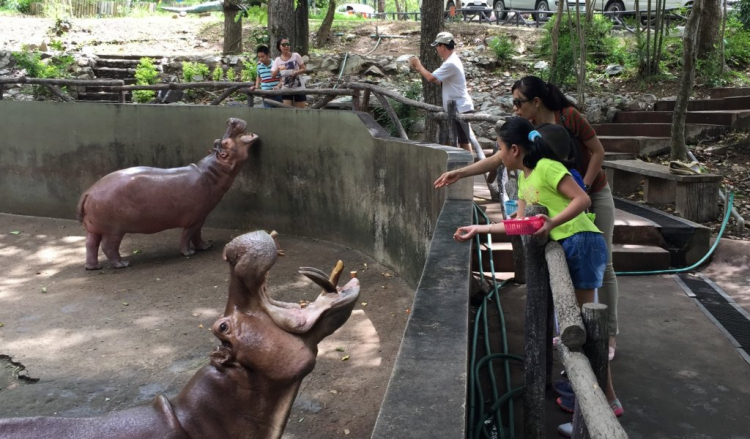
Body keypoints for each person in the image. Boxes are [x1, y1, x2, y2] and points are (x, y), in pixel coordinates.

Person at [447, 118, 624, 432]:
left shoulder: (547, 167)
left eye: (499, 149)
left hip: (581, 242)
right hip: (568, 244)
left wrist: (552, 224)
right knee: (577, 326)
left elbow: (581, 199)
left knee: (584, 327)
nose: (498, 156)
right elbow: (521, 224)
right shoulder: (525, 182)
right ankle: (594, 403)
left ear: (514, 149)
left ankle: (606, 403)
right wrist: (480, 228)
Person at [512, 75, 620, 362]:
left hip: (592, 189)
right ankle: (572, 331)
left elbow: (598, 151)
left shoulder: (570, 117)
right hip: (565, 194)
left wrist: (582, 184)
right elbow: (507, 157)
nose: (515, 109)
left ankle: (607, 334)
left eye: (518, 102)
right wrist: (463, 172)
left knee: (604, 263)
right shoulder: (528, 128)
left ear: (536, 101)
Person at [409, 31, 474, 153]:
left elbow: (430, 78)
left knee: (464, 141)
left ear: (442, 47)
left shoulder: (450, 63)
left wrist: (419, 66)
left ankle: (469, 168)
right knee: (461, 140)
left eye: (437, 47)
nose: (437, 50)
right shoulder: (452, 61)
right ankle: (468, 165)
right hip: (458, 107)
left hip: (460, 107)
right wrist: (420, 69)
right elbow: (439, 81)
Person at [271, 37, 307, 109]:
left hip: (299, 87)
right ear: (279, 46)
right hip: (286, 89)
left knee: (301, 111)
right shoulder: (277, 60)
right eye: (283, 45)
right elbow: (273, 75)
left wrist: (296, 72)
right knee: (287, 110)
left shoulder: (296, 55)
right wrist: (278, 68)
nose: (286, 46)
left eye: (288, 44)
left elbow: (304, 69)